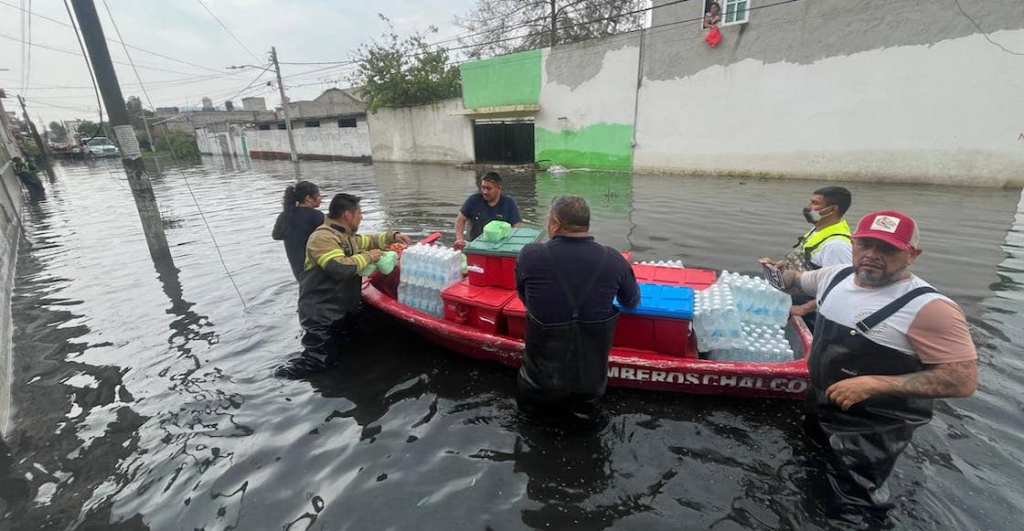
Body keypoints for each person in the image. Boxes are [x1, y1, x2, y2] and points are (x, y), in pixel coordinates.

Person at [779, 210, 977, 514]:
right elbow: (796, 281)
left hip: (870, 431)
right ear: (853, 244)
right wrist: (777, 274)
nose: (872, 255)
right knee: (808, 477)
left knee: (851, 504)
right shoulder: (836, 275)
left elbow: (962, 380)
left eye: (887, 249)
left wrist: (876, 383)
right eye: (865, 245)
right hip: (820, 403)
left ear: (912, 255)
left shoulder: (931, 309)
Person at [515, 196, 641, 420]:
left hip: (537, 386)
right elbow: (632, 301)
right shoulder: (614, 260)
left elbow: (525, 298)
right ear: (587, 225)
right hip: (588, 390)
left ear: (554, 223)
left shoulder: (530, 255)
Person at [275, 193, 412, 379]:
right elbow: (338, 268)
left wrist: (393, 236)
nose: (362, 217)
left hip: (341, 309)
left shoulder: (345, 235)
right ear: (348, 215)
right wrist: (368, 257)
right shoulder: (322, 238)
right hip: (321, 314)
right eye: (359, 213)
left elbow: (369, 241)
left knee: (358, 349)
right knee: (319, 363)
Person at [762, 186, 853, 326]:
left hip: (808, 307)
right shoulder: (819, 229)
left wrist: (803, 309)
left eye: (815, 203)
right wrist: (780, 265)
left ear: (833, 209)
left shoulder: (837, 245)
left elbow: (838, 288)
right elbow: (808, 260)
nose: (808, 207)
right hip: (792, 292)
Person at [454, 172, 522, 249]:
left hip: (500, 248)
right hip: (475, 247)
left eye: (489, 188)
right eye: (483, 187)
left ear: (499, 188)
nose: (485, 192)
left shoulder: (509, 203)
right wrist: (460, 239)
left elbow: (517, 227)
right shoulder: (473, 200)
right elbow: (460, 220)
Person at [272, 181, 324, 279]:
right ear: (308, 198)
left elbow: (276, 235)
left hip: (298, 270)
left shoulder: (285, 215)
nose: (320, 199)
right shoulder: (316, 216)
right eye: (318, 195)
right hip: (315, 270)